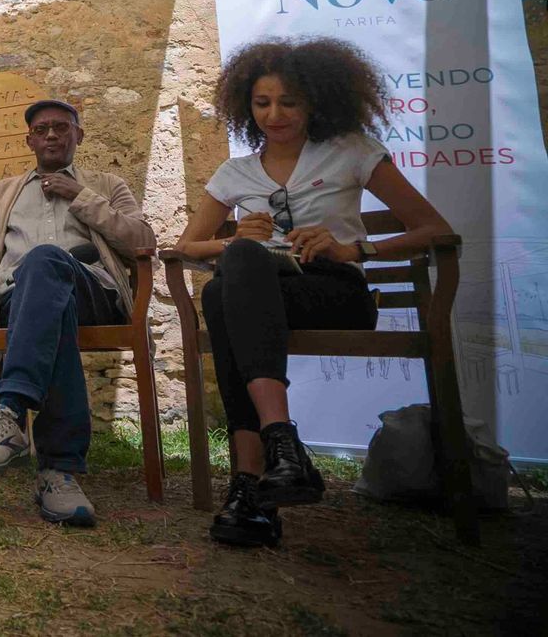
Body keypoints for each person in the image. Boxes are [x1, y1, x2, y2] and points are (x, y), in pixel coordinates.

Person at [173, 38, 452, 548]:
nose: (274, 114)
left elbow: (434, 229)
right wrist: (236, 238)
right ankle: (268, 467)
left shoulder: (351, 150)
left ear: (315, 102)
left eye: (289, 102)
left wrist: (355, 249)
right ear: (246, 105)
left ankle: (258, 473)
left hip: (335, 294)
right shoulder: (234, 173)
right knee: (227, 279)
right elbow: (188, 246)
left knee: (224, 293)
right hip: (261, 299)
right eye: (262, 103)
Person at [0, 100, 154, 527]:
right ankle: (59, 472)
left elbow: (140, 241)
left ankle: (10, 411)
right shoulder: (1, 193)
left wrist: (82, 197)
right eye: (41, 130)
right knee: (42, 284)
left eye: (62, 128)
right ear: (29, 141)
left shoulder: (106, 185)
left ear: (79, 135)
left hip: (93, 292)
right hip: (18, 298)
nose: (52, 136)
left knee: (44, 261)